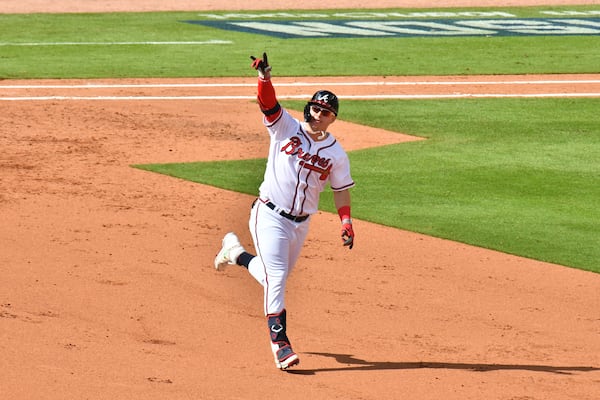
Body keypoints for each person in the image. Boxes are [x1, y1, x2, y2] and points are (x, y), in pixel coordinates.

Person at [214, 52, 355, 370]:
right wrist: (264, 78)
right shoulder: (285, 128)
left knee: (270, 276)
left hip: (300, 225)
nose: (319, 114)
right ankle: (280, 345)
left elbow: (341, 188)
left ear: (334, 118)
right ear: (309, 108)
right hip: (269, 215)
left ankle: (235, 254)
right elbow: (268, 104)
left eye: (327, 112)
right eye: (316, 108)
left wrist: (346, 221)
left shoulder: (336, 153)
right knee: (276, 277)